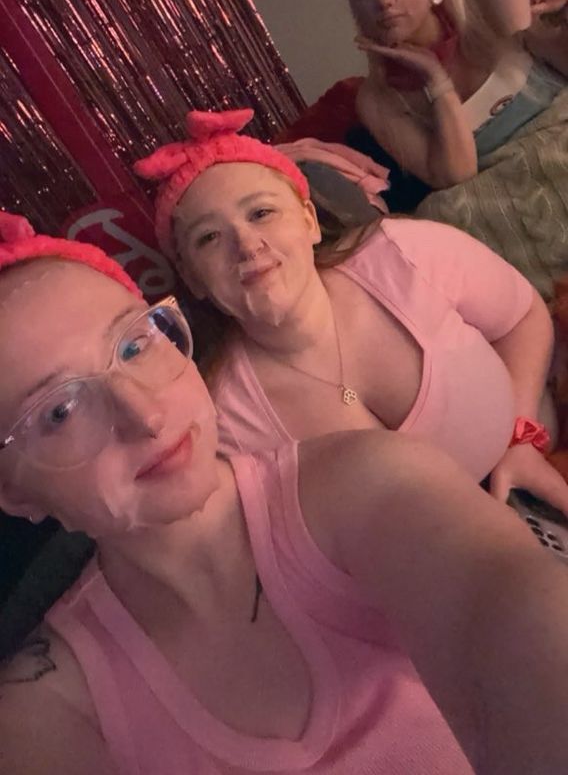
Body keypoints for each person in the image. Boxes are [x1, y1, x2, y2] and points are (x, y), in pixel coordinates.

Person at [2, 211, 568, 775]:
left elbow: (513, 605)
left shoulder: (363, 481)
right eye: (60, 411)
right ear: (14, 492)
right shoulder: (45, 711)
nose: (145, 415)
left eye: (134, 346)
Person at [134, 108, 568, 515]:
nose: (247, 245)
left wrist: (522, 439)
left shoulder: (406, 253)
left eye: (262, 212)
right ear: (192, 278)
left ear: (308, 221)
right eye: (209, 237)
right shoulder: (226, 421)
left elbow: (523, 317)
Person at [280, 0, 568, 213]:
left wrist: (564, 6)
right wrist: (436, 80)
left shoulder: (491, 9)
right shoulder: (378, 98)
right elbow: (456, 177)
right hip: (519, 204)